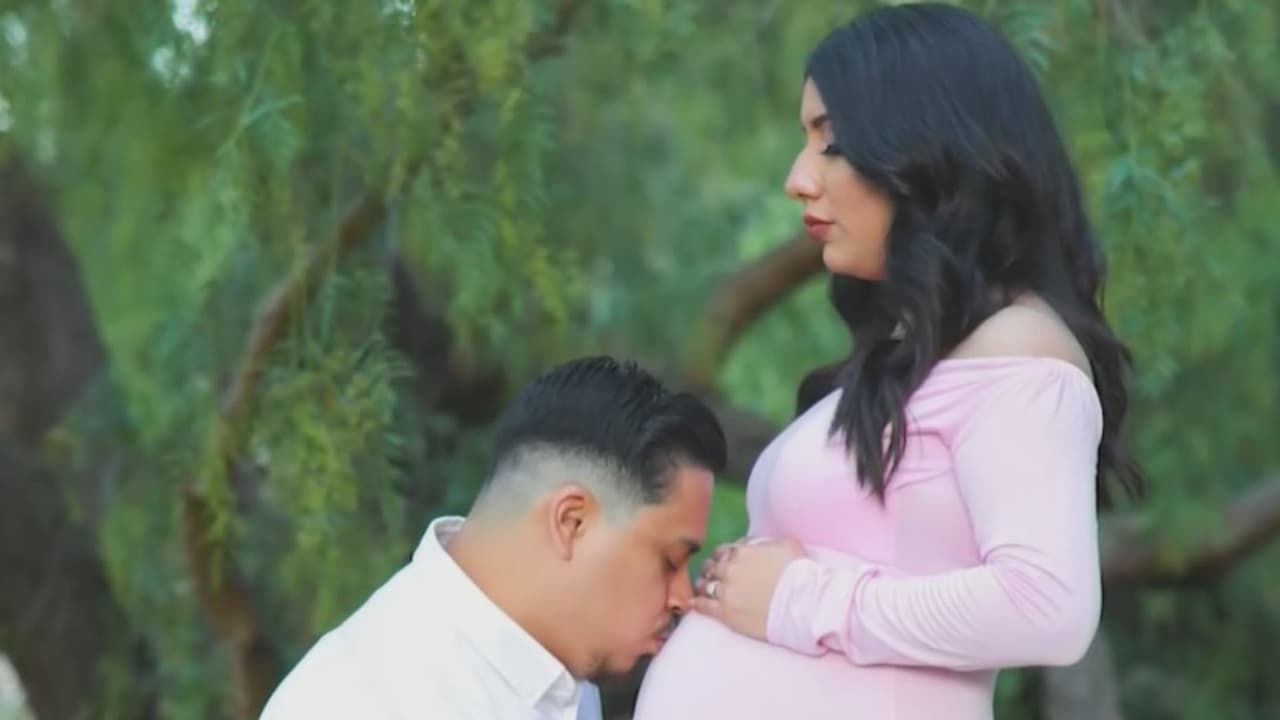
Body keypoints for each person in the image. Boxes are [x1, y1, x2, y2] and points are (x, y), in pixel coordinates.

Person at [633, 4, 1144, 719]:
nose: (798, 179)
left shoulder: (1022, 352)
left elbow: (1045, 605)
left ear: (930, 145)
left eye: (830, 141)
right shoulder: (920, 358)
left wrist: (800, 600)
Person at [259, 355, 727, 720]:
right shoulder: (366, 701)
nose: (683, 597)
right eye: (669, 560)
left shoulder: (562, 669)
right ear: (570, 522)